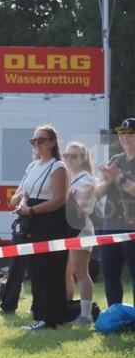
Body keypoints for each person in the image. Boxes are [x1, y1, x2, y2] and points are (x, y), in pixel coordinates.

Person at [9, 125, 70, 330]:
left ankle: (51, 317)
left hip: (51, 222)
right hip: (32, 220)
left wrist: (32, 211)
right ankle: (40, 313)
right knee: (35, 269)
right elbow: (19, 194)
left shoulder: (58, 166)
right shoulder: (32, 166)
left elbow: (60, 200)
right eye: (34, 140)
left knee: (50, 269)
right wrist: (21, 204)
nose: (37, 144)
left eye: (41, 140)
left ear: (52, 143)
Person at [93, 117, 135, 306]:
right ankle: (115, 316)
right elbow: (97, 193)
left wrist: (119, 178)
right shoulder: (115, 160)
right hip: (111, 225)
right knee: (110, 274)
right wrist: (108, 181)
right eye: (122, 133)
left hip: (132, 227)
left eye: (130, 133)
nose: (124, 137)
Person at [64, 142, 97, 326]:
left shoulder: (86, 179)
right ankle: (66, 309)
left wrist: (67, 195)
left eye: (74, 156)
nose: (69, 159)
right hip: (69, 229)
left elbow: (82, 204)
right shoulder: (70, 176)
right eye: (66, 155)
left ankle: (86, 315)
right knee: (66, 273)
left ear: (83, 159)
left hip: (81, 228)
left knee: (81, 273)